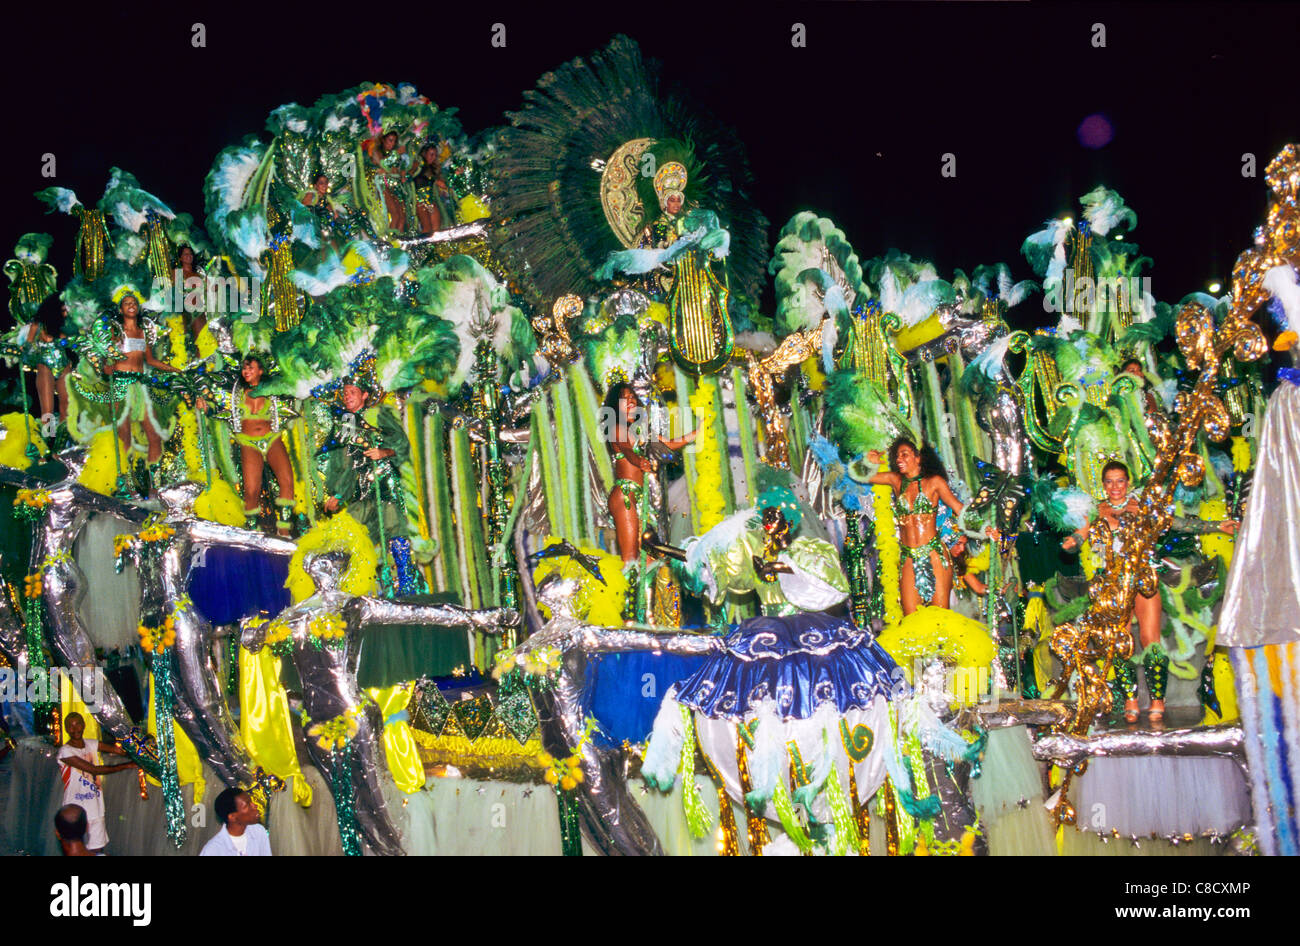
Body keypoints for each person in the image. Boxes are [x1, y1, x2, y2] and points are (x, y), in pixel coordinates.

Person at [1062, 460, 1238, 722]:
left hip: (1143, 577)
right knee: (1120, 642)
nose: (1115, 487)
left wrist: (1215, 526)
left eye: (1120, 480)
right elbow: (1079, 536)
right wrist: (1071, 543)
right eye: (1109, 481)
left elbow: (1177, 523)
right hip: (1112, 584)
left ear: (1128, 482)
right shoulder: (1097, 511)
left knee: (1149, 638)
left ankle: (1158, 702)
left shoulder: (1143, 507)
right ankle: (1131, 702)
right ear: (1103, 484)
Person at [863, 438, 986, 614]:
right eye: (897, 456)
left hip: (934, 554)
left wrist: (984, 529)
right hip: (908, 556)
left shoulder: (934, 482)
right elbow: (863, 475)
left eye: (904, 454)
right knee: (910, 617)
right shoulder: (896, 481)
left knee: (940, 617)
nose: (899, 459)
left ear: (917, 458)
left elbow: (959, 508)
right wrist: (868, 462)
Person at [197, 353, 296, 534]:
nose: (246, 371)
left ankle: (284, 530)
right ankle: (252, 530)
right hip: (248, 442)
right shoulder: (237, 392)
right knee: (251, 490)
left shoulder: (273, 389)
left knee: (287, 482)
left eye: (250, 368)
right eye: (244, 368)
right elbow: (215, 407)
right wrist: (205, 406)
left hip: (272, 439)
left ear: (261, 370)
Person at [604, 382, 696, 564]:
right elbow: (627, 450)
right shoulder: (616, 428)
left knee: (649, 559)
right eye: (624, 398)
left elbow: (668, 444)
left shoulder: (641, 430)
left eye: (632, 397)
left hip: (641, 497)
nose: (630, 400)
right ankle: (626, 590)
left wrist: (699, 432)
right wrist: (640, 461)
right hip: (625, 496)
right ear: (615, 405)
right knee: (630, 559)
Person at [103, 290, 179, 465]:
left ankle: (152, 478)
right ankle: (125, 483)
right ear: (121, 309)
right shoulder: (116, 331)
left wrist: (175, 370)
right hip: (120, 386)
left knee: (154, 435)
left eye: (134, 303)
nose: (132, 305)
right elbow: (103, 354)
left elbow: (150, 360)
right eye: (127, 303)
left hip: (139, 385)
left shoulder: (143, 332)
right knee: (124, 438)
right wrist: (105, 367)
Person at [56, 712, 135, 854]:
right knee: (74, 849)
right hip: (75, 812)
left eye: (78, 724)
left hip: (95, 808)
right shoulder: (65, 752)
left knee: (97, 850)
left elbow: (119, 751)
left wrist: (136, 752)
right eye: (71, 726)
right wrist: (126, 766)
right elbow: (93, 769)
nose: (75, 729)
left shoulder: (91, 744)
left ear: (84, 725)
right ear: (66, 729)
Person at [199, 788, 272, 856]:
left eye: (251, 801)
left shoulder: (258, 831)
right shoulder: (213, 850)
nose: (254, 806)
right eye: (247, 805)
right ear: (232, 817)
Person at [366, 130, 410, 234]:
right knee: (395, 215)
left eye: (394, 141)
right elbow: (384, 164)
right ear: (383, 139)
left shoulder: (393, 154)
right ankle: (390, 242)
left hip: (395, 185)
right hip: (383, 184)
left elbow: (396, 169)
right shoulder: (377, 151)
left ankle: (399, 243)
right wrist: (396, 154)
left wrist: (402, 173)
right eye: (390, 140)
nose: (392, 144)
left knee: (402, 216)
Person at [411, 143, 453, 235]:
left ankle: (435, 247)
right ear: (424, 153)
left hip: (430, 201)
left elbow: (443, 183)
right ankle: (424, 247)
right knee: (427, 227)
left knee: (436, 229)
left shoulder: (433, 169)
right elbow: (410, 174)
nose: (433, 157)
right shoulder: (418, 163)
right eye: (431, 154)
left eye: (435, 155)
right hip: (420, 201)